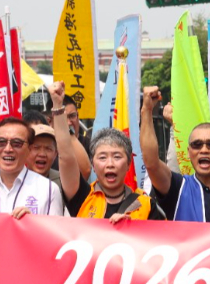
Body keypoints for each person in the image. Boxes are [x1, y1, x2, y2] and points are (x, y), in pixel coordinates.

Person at [50, 81, 162, 221]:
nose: (110, 164)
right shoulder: (83, 196)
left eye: (117, 157)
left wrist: (131, 228)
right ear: (93, 164)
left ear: (128, 164)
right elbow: (66, 157)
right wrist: (57, 106)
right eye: (102, 157)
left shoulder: (146, 205)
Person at [140, 86, 210, 223]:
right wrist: (147, 110)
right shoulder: (178, 188)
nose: (204, 150)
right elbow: (151, 163)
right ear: (189, 152)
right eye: (197, 145)